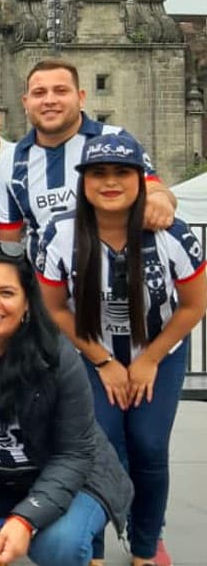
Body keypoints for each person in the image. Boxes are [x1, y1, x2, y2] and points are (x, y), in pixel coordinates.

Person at [38, 133, 206, 566]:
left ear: (140, 178)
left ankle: (147, 543)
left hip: (160, 353)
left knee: (149, 446)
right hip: (91, 354)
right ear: (84, 182)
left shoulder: (173, 233)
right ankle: (91, 545)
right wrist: (104, 361)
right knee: (99, 446)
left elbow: (194, 306)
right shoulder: (60, 233)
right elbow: (55, 309)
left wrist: (147, 360)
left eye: (121, 173)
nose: (110, 182)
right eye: (98, 173)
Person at [0, 240, 133, 566]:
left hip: (70, 471)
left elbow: (76, 453)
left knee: (60, 545)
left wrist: (25, 519)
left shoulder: (57, 355)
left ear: (27, 302)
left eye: (6, 293)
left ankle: (78, 538)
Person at [0, 57, 177, 254]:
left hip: (116, 275)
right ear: (26, 102)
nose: (49, 100)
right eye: (39, 93)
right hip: (43, 280)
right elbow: (9, 243)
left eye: (61, 91)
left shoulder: (115, 139)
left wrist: (159, 201)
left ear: (81, 97)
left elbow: (155, 189)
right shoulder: (9, 160)